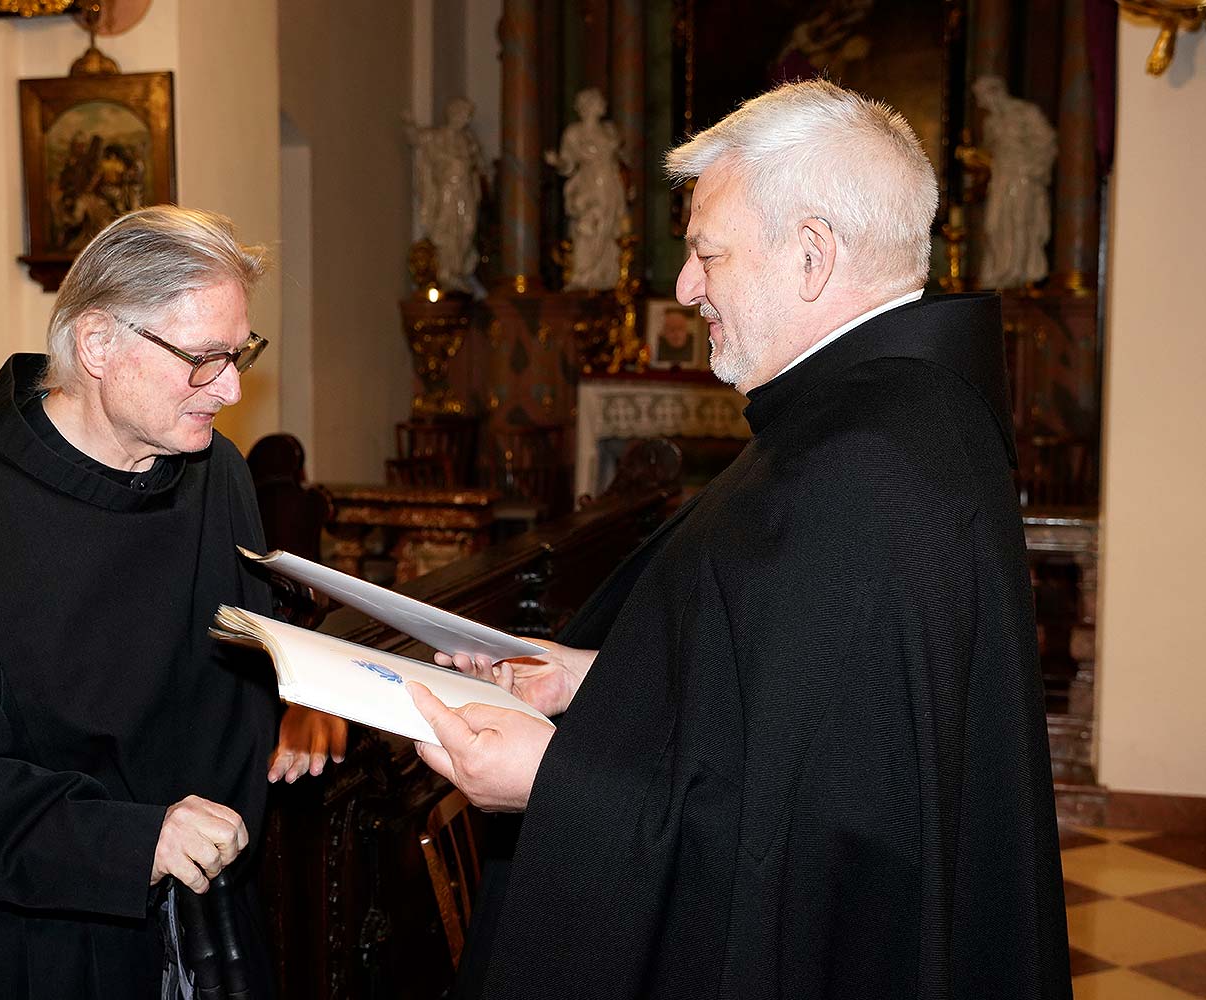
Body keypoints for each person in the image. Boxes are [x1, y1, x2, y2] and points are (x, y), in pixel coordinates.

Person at [408, 79, 1072, 999]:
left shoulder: (865, 469)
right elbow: (778, 702)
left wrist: (556, 779)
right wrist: (590, 678)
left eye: (706, 253)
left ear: (811, 255)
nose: (686, 288)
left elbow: (815, 849)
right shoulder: (892, 415)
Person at [0, 205, 345, 998]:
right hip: (22, 945)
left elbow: (248, 631)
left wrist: (305, 692)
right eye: (203, 358)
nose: (231, 387)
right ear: (98, 344)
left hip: (206, 918)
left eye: (239, 352)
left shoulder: (218, 472)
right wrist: (135, 840)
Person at [973, 74, 1058, 290]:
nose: (980, 103)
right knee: (994, 225)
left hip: (1023, 175)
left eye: (981, 96)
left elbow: (1047, 140)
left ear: (994, 92)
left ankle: (1019, 271)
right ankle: (1001, 271)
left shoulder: (1026, 112)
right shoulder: (990, 122)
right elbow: (989, 153)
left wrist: (1033, 167)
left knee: (1020, 220)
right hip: (1001, 177)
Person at [545, 87, 627, 290]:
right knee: (587, 226)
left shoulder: (609, 130)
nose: (604, 105)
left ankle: (604, 276)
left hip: (610, 183)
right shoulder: (574, 133)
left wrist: (627, 182)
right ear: (588, 106)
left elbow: (621, 159)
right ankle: (583, 275)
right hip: (588, 183)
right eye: (599, 101)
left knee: (609, 229)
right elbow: (568, 164)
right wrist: (557, 162)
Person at [406, 96, 487, 294]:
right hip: (448, 190)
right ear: (453, 114)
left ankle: (458, 270)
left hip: (465, 191)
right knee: (447, 227)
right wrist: (409, 123)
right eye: (463, 114)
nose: (465, 119)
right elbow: (417, 138)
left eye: (467, 116)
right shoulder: (438, 136)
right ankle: (446, 271)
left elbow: (480, 165)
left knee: (467, 227)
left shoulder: (468, 140)